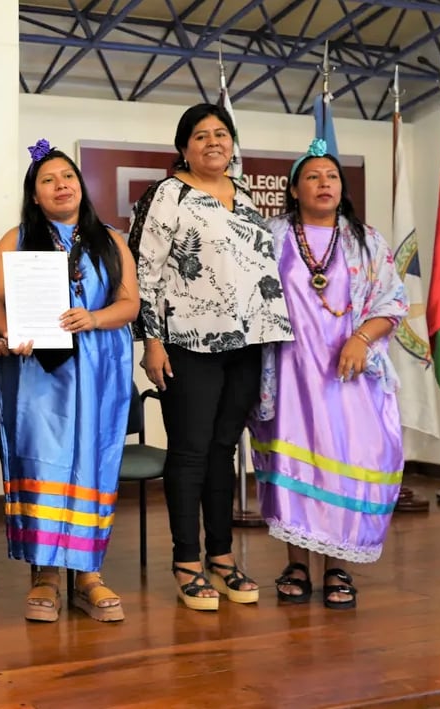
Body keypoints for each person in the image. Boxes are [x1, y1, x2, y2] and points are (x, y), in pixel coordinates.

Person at [129, 103, 292, 612]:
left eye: (221, 134)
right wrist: (152, 342)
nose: (213, 143)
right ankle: (186, 563)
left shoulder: (244, 196)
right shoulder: (166, 195)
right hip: (186, 344)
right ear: (184, 148)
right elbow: (143, 273)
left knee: (225, 450)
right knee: (191, 451)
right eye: (201, 136)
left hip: (245, 345)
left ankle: (222, 557)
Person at [0, 141, 138, 623]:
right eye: (47, 180)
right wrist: (11, 334)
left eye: (67, 176)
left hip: (98, 365)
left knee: (92, 460)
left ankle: (88, 574)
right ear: (34, 195)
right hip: (36, 372)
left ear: (80, 185)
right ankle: (45, 574)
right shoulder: (17, 238)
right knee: (43, 460)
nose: (60, 185)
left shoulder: (111, 239)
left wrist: (93, 317)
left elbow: (130, 304)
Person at [249, 139, 407, 609]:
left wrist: (360, 339)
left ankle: (339, 566)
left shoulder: (366, 240)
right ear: (294, 189)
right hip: (290, 372)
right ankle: (296, 563)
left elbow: (391, 302)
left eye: (332, 177)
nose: (324, 183)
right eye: (313, 177)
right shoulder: (270, 235)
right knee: (292, 463)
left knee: (349, 464)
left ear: (342, 188)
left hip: (349, 373)